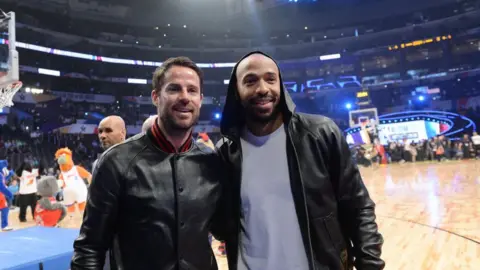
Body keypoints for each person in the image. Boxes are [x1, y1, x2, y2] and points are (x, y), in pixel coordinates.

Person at [216, 51, 384, 270]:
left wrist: (369, 264)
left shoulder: (321, 133)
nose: (263, 89)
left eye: (270, 79)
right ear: (236, 91)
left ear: (281, 86)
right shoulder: (226, 152)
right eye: (250, 81)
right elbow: (219, 225)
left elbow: (358, 206)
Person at [72, 56, 227, 270]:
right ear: (156, 96)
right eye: (174, 89)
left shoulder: (211, 162)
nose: (184, 97)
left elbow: (223, 228)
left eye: (192, 90)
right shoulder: (116, 162)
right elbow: (89, 248)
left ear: (200, 99)